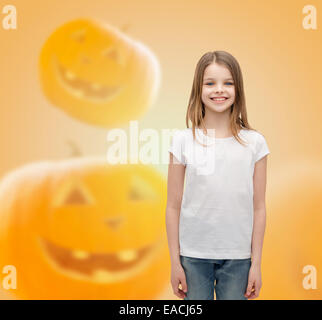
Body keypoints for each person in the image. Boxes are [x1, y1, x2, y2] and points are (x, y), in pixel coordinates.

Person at [165, 50, 270, 300]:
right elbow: (172, 206)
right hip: (192, 257)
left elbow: (259, 207)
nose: (219, 90)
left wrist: (256, 263)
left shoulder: (255, 143)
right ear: (198, 89)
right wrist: (175, 261)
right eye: (210, 83)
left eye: (228, 83)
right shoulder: (182, 140)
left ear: (238, 89)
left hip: (239, 259)